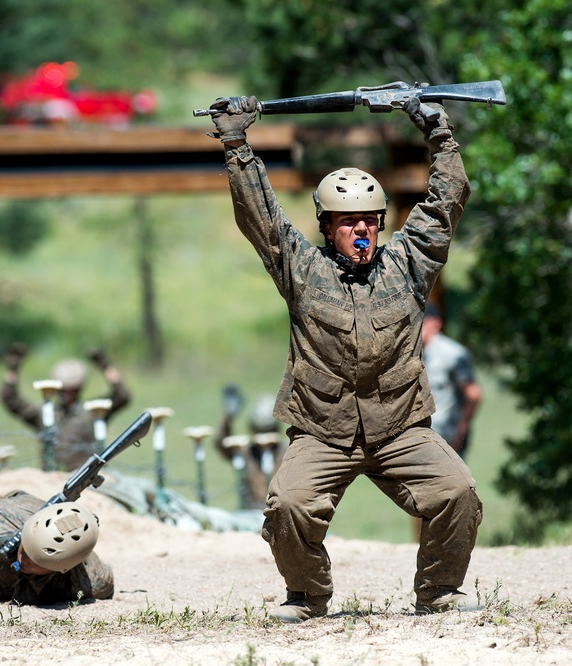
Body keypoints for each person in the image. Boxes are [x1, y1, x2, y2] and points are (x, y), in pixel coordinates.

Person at [206, 94, 483, 623]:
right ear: (327, 227)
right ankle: (308, 597)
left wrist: (439, 134)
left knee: (458, 491)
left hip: (401, 427)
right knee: (287, 505)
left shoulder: (409, 263)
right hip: (322, 428)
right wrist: (237, 145)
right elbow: (260, 218)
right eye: (347, 221)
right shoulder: (301, 269)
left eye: (369, 221)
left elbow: (447, 201)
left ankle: (440, 590)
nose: (361, 230)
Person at [0, 344, 131, 470]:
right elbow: (11, 399)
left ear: (79, 389)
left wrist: (105, 365)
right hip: (50, 480)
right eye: (63, 390)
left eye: (72, 390)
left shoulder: (94, 411)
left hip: (85, 479)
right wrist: (13, 369)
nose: (66, 394)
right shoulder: (46, 414)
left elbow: (122, 396)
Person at [421, 304, 482, 458]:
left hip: (446, 438)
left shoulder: (453, 354)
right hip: (423, 440)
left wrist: (460, 433)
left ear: (436, 323)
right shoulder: (415, 354)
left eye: (422, 321)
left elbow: (473, 395)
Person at [214, 385, 286, 510]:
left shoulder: (286, 452)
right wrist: (227, 419)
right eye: (260, 433)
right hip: (250, 513)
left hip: (281, 512)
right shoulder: (247, 453)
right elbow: (222, 445)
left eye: (267, 432)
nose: (264, 439)